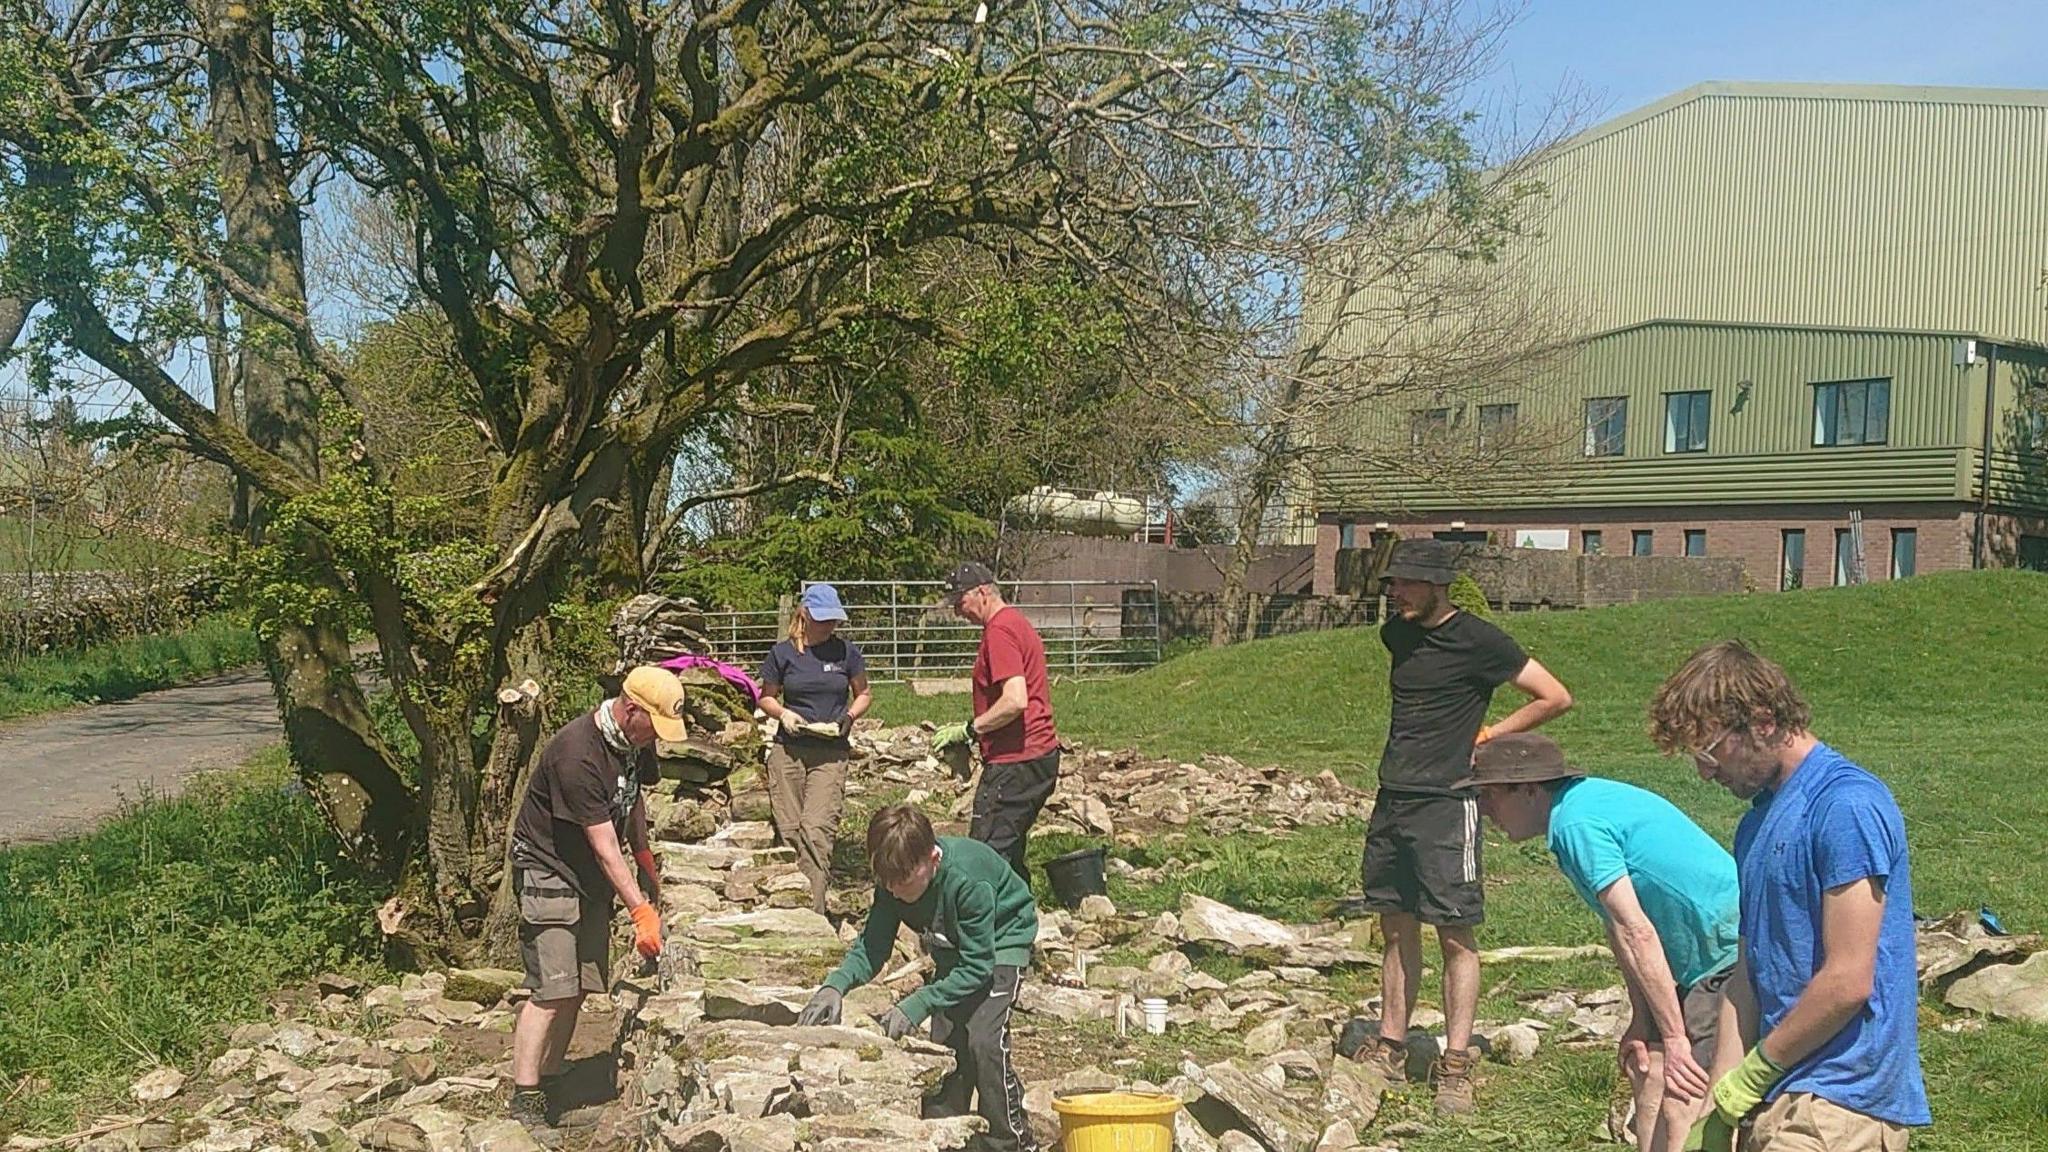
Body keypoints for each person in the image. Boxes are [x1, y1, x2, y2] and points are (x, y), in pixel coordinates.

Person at [1650, 640, 1928, 1151]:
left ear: (1761, 722)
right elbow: (1746, 978)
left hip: (1844, 1101)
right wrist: (1717, 1104)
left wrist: (1753, 1073)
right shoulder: (1754, 826)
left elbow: (1848, 979)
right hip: (1775, 1098)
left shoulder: (1845, 805)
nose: (1705, 772)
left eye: (1710, 751)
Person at [1353, 538, 1572, 1116]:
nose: (1393, 593)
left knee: (1454, 931)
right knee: (1396, 926)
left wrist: (1491, 735)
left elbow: (1554, 696)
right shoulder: (1396, 635)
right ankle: (1392, 1046)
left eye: (1402, 583)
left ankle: (1455, 1063)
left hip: (1448, 801)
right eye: (1391, 583)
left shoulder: (1480, 640)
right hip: (1393, 794)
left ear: (1435, 585)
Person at [1471, 732, 1739, 1151]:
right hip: (1696, 950)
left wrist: (1674, 1037)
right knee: (1646, 1068)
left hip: (1725, 955)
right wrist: (1644, 1018)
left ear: (1527, 789)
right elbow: (1618, 927)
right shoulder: (1576, 809)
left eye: (1488, 796)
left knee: (1684, 1096)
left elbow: (1637, 931)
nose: (1484, 810)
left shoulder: (1576, 824)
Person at [796, 805, 1040, 1152]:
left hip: (1001, 943)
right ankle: (946, 1137)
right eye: (887, 882)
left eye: (904, 880)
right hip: (953, 947)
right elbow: (872, 947)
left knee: (983, 1041)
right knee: (944, 1047)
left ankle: (1011, 1141)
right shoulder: (893, 881)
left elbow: (978, 965)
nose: (895, 891)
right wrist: (835, 985)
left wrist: (920, 1001)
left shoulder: (968, 880)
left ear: (933, 858)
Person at [506, 666, 687, 1134]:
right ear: (631, 710)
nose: (658, 740)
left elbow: (633, 804)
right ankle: (524, 1098)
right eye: (655, 727)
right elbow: (604, 843)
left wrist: (644, 856)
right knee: (551, 987)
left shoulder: (635, 743)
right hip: (548, 868)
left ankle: (552, 1079)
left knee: (582, 983)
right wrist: (640, 910)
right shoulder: (577, 754)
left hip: (587, 876)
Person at [930, 561, 1059, 881]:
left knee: (983, 857)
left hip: (1017, 759)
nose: (959, 612)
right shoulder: (1015, 623)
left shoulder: (1000, 631)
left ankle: (984, 926)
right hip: (1037, 755)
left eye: (960, 602)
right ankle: (1022, 919)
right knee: (1008, 849)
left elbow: (1015, 700)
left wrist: (971, 729)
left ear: (983, 592)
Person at [757, 583, 873, 916]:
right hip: (789, 750)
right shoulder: (782, 654)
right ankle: (790, 905)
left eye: (833, 621)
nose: (829, 627)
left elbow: (864, 693)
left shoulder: (847, 653)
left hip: (831, 751)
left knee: (817, 830)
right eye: (823, 620)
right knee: (791, 830)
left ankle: (814, 912)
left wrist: (850, 715)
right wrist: (783, 714)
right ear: (805, 615)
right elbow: (766, 697)